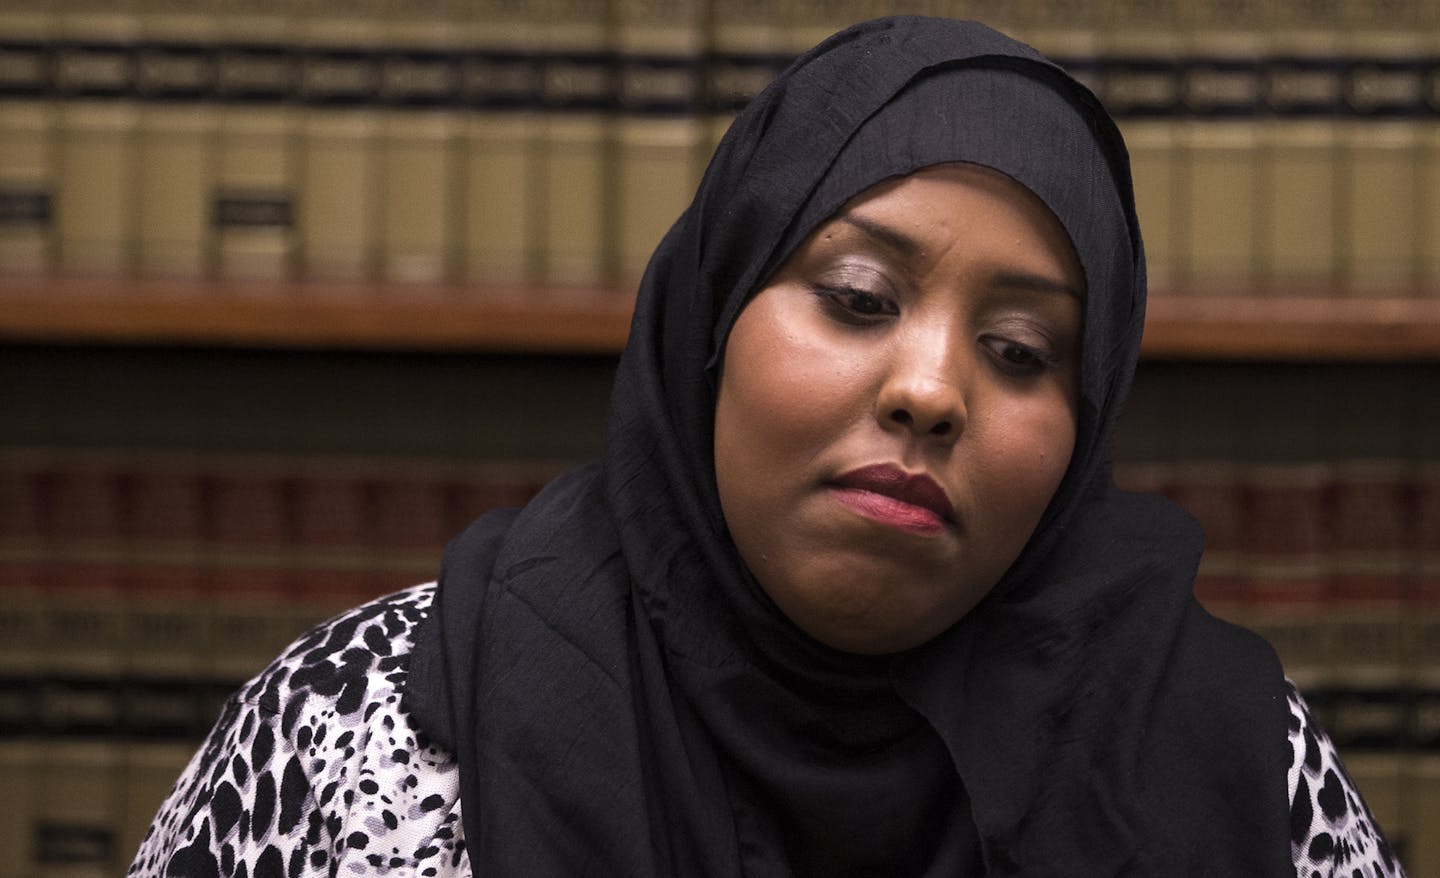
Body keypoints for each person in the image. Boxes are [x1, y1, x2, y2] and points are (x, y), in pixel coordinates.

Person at [130, 16, 1404, 877]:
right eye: (857, 296)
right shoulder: (367, 730)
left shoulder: (1238, 758)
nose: (931, 389)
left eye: (1022, 350)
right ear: (712, 319)